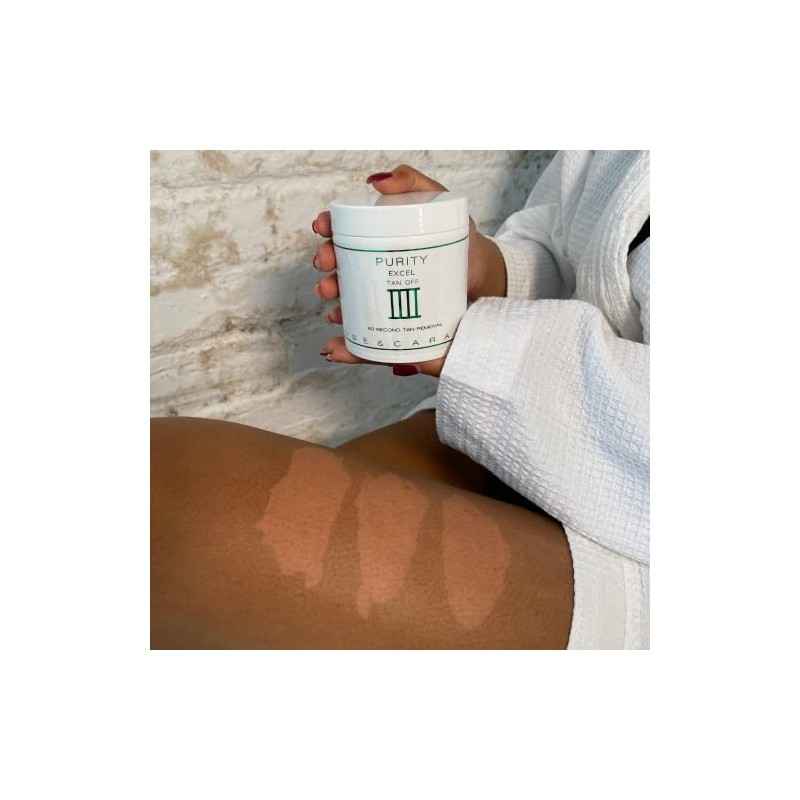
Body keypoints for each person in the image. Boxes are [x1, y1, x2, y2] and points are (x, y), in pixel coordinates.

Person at [151, 150, 649, 649]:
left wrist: (483, 350)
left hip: (637, 497)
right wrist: (486, 268)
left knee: (178, 513)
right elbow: (569, 244)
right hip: (536, 418)